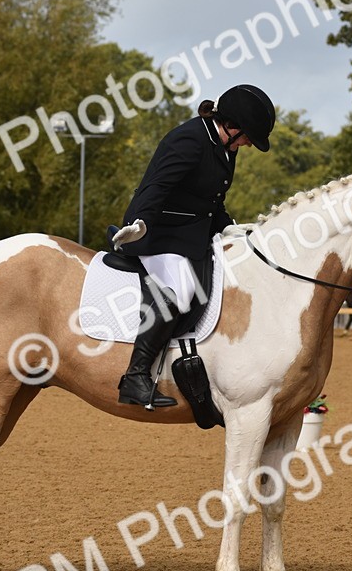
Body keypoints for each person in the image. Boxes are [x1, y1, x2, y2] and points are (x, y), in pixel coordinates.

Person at [112, 84, 275, 408]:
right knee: (182, 289)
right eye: (247, 137)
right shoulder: (189, 140)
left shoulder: (226, 147)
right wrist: (140, 221)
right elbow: (157, 186)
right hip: (157, 233)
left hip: (192, 235)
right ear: (231, 125)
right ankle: (135, 376)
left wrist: (228, 227)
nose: (248, 145)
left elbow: (210, 201)